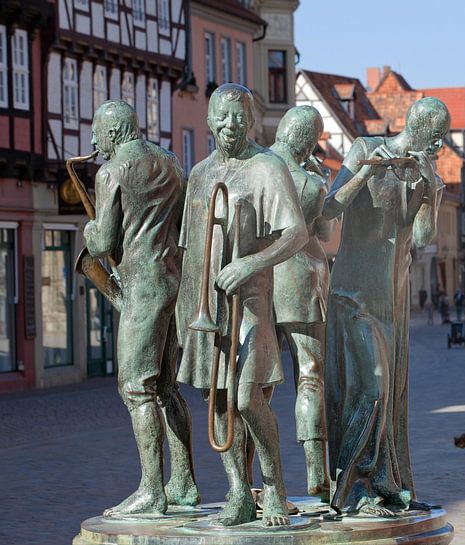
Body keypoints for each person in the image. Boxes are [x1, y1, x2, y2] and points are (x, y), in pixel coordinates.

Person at [176, 84, 308, 527]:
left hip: (250, 303)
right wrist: (185, 309)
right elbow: (189, 249)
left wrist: (251, 262)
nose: (231, 125)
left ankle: (274, 487)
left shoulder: (267, 167)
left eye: (239, 116)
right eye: (223, 115)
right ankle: (237, 490)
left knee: (248, 398)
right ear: (209, 120)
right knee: (217, 402)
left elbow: (296, 233)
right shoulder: (199, 174)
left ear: (250, 120)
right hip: (206, 307)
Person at [323, 97, 450, 516]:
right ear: (419, 129)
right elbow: (329, 208)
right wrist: (363, 172)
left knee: (391, 397)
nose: (441, 145)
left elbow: (423, 237)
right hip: (354, 294)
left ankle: (384, 483)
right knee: (372, 388)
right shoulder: (365, 149)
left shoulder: (422, 174)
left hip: (391, 301)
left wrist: (431, 193)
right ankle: (351, 487)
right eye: (437, 137)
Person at [83, 100, 199, 517]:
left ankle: (152, 489)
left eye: (97, 132)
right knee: (167, 387)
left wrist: (89, 228)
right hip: (172, 281)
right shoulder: (171, 163)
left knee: (135, 388)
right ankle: (183, 482)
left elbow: (101, 243)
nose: (93, 141)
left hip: (141, 288)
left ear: (114, 132)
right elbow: (182, 224)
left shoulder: (110, 172)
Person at [270, 105, 332, 500]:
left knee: (256, 385)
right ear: (309, 143)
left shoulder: (257, 166)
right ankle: (316, 471)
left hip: (261, 282)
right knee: (309, 375)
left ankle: (259, 480)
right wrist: (323, 180)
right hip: (301, 279)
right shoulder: (311, 183)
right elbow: (323, 232)